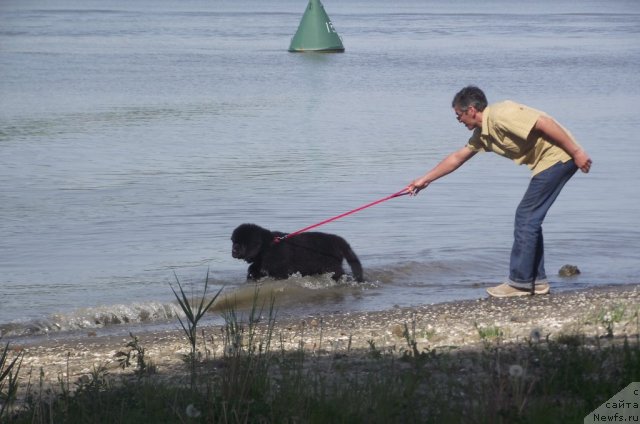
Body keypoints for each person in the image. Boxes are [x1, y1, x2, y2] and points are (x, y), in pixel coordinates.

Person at [407, 86, 592, 298]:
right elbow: (458, 157)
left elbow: (544, 122)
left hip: (559, 158)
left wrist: (577, 152)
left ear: (471, 110)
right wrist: (424, 180)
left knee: (526, 217)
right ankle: (536, 281)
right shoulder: (483, 133)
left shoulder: (501, 114)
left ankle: (520, 283)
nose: (458, 120)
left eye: (459, 115)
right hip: (551, 162)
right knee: (530, 219)